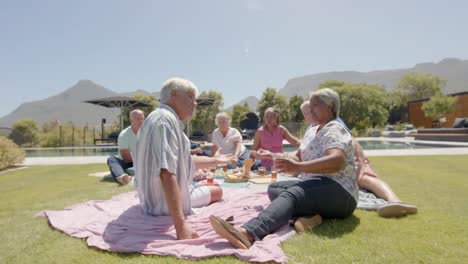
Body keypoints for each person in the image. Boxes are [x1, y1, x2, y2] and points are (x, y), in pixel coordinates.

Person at [210, 88, 357, 249]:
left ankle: (248, 232)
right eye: (311, 104)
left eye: (315, 105)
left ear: (330, 107)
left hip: (340, 192)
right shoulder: (313, 131)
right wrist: (270, 156)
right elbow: (296, 158)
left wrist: (298, 167)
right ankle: (314, 216)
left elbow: (337, 160)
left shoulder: (334, 128)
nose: (310, 108)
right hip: (317, 187)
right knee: (275, 188)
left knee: (293, 195)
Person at [134, 77, 235, 240]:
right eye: (191, 97)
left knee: (208, 186)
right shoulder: (164, 121)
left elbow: (184, 160)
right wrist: (181, 227)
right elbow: (166, 172)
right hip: (163, 205)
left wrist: (217, 161)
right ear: (173, 94)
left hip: (152, 200)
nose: (195, 103)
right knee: (218, 190)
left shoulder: (162, 118)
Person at [300, 100, 417, 218]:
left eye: (311, 110)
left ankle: (395, 201)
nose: (309, 114)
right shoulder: (312, 129)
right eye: (306, 113)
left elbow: (353, 140)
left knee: (364, 178)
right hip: (326, 172)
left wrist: (362, 163)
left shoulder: (332, 122)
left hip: (345, 165)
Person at [106, 109, 145, 185]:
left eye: (142, 118)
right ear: (131, 120)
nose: (141, 121)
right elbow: (127, 159)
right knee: (111, 159)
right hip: (128, 163)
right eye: (138, 119)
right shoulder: (124, 135)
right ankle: (122, 177)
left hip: (143, 162)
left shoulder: (148, 133)